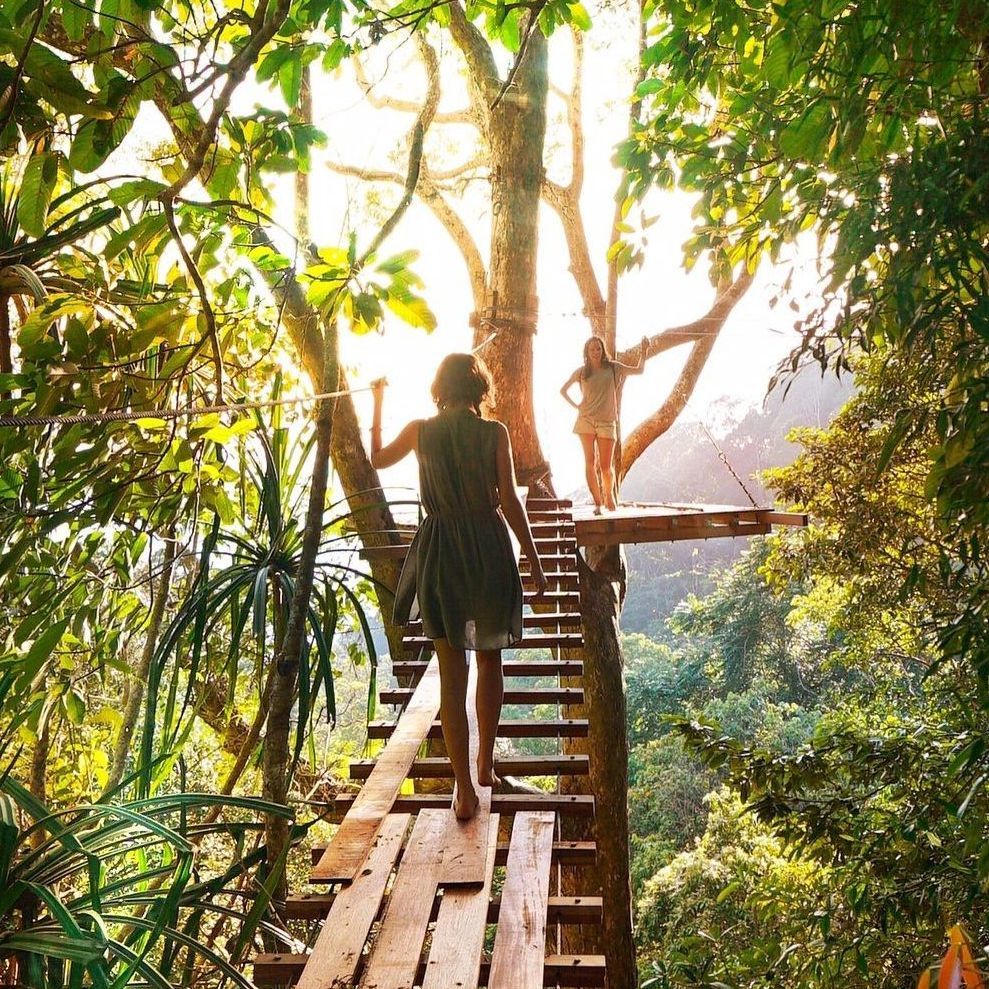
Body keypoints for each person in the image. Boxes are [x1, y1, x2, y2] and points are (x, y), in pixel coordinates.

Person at [369, 354, 548, 821]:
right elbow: (510, 501)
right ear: (479, 389)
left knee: (452, 674)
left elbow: (377, 459)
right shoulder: (494, 433)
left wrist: (377, 401)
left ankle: (464, 789)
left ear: (440, 388)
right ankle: (486, 762)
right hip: (488, 546)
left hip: (442, 551)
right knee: (490, 658)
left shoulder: (420, 432)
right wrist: (534, 562)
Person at [560, 334, 648, 512]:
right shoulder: (581, 372)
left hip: (607, 422)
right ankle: (597, 503)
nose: (595, 352)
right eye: (591, 349)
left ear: (603, 350)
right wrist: (577, 406)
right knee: (590, 462)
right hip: (586, 420)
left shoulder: (614, 368)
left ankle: (609, 496)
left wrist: (644, 351)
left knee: (606, 467)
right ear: (586, 352)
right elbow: (563, 390)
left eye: (598, 348)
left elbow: (639, 370)